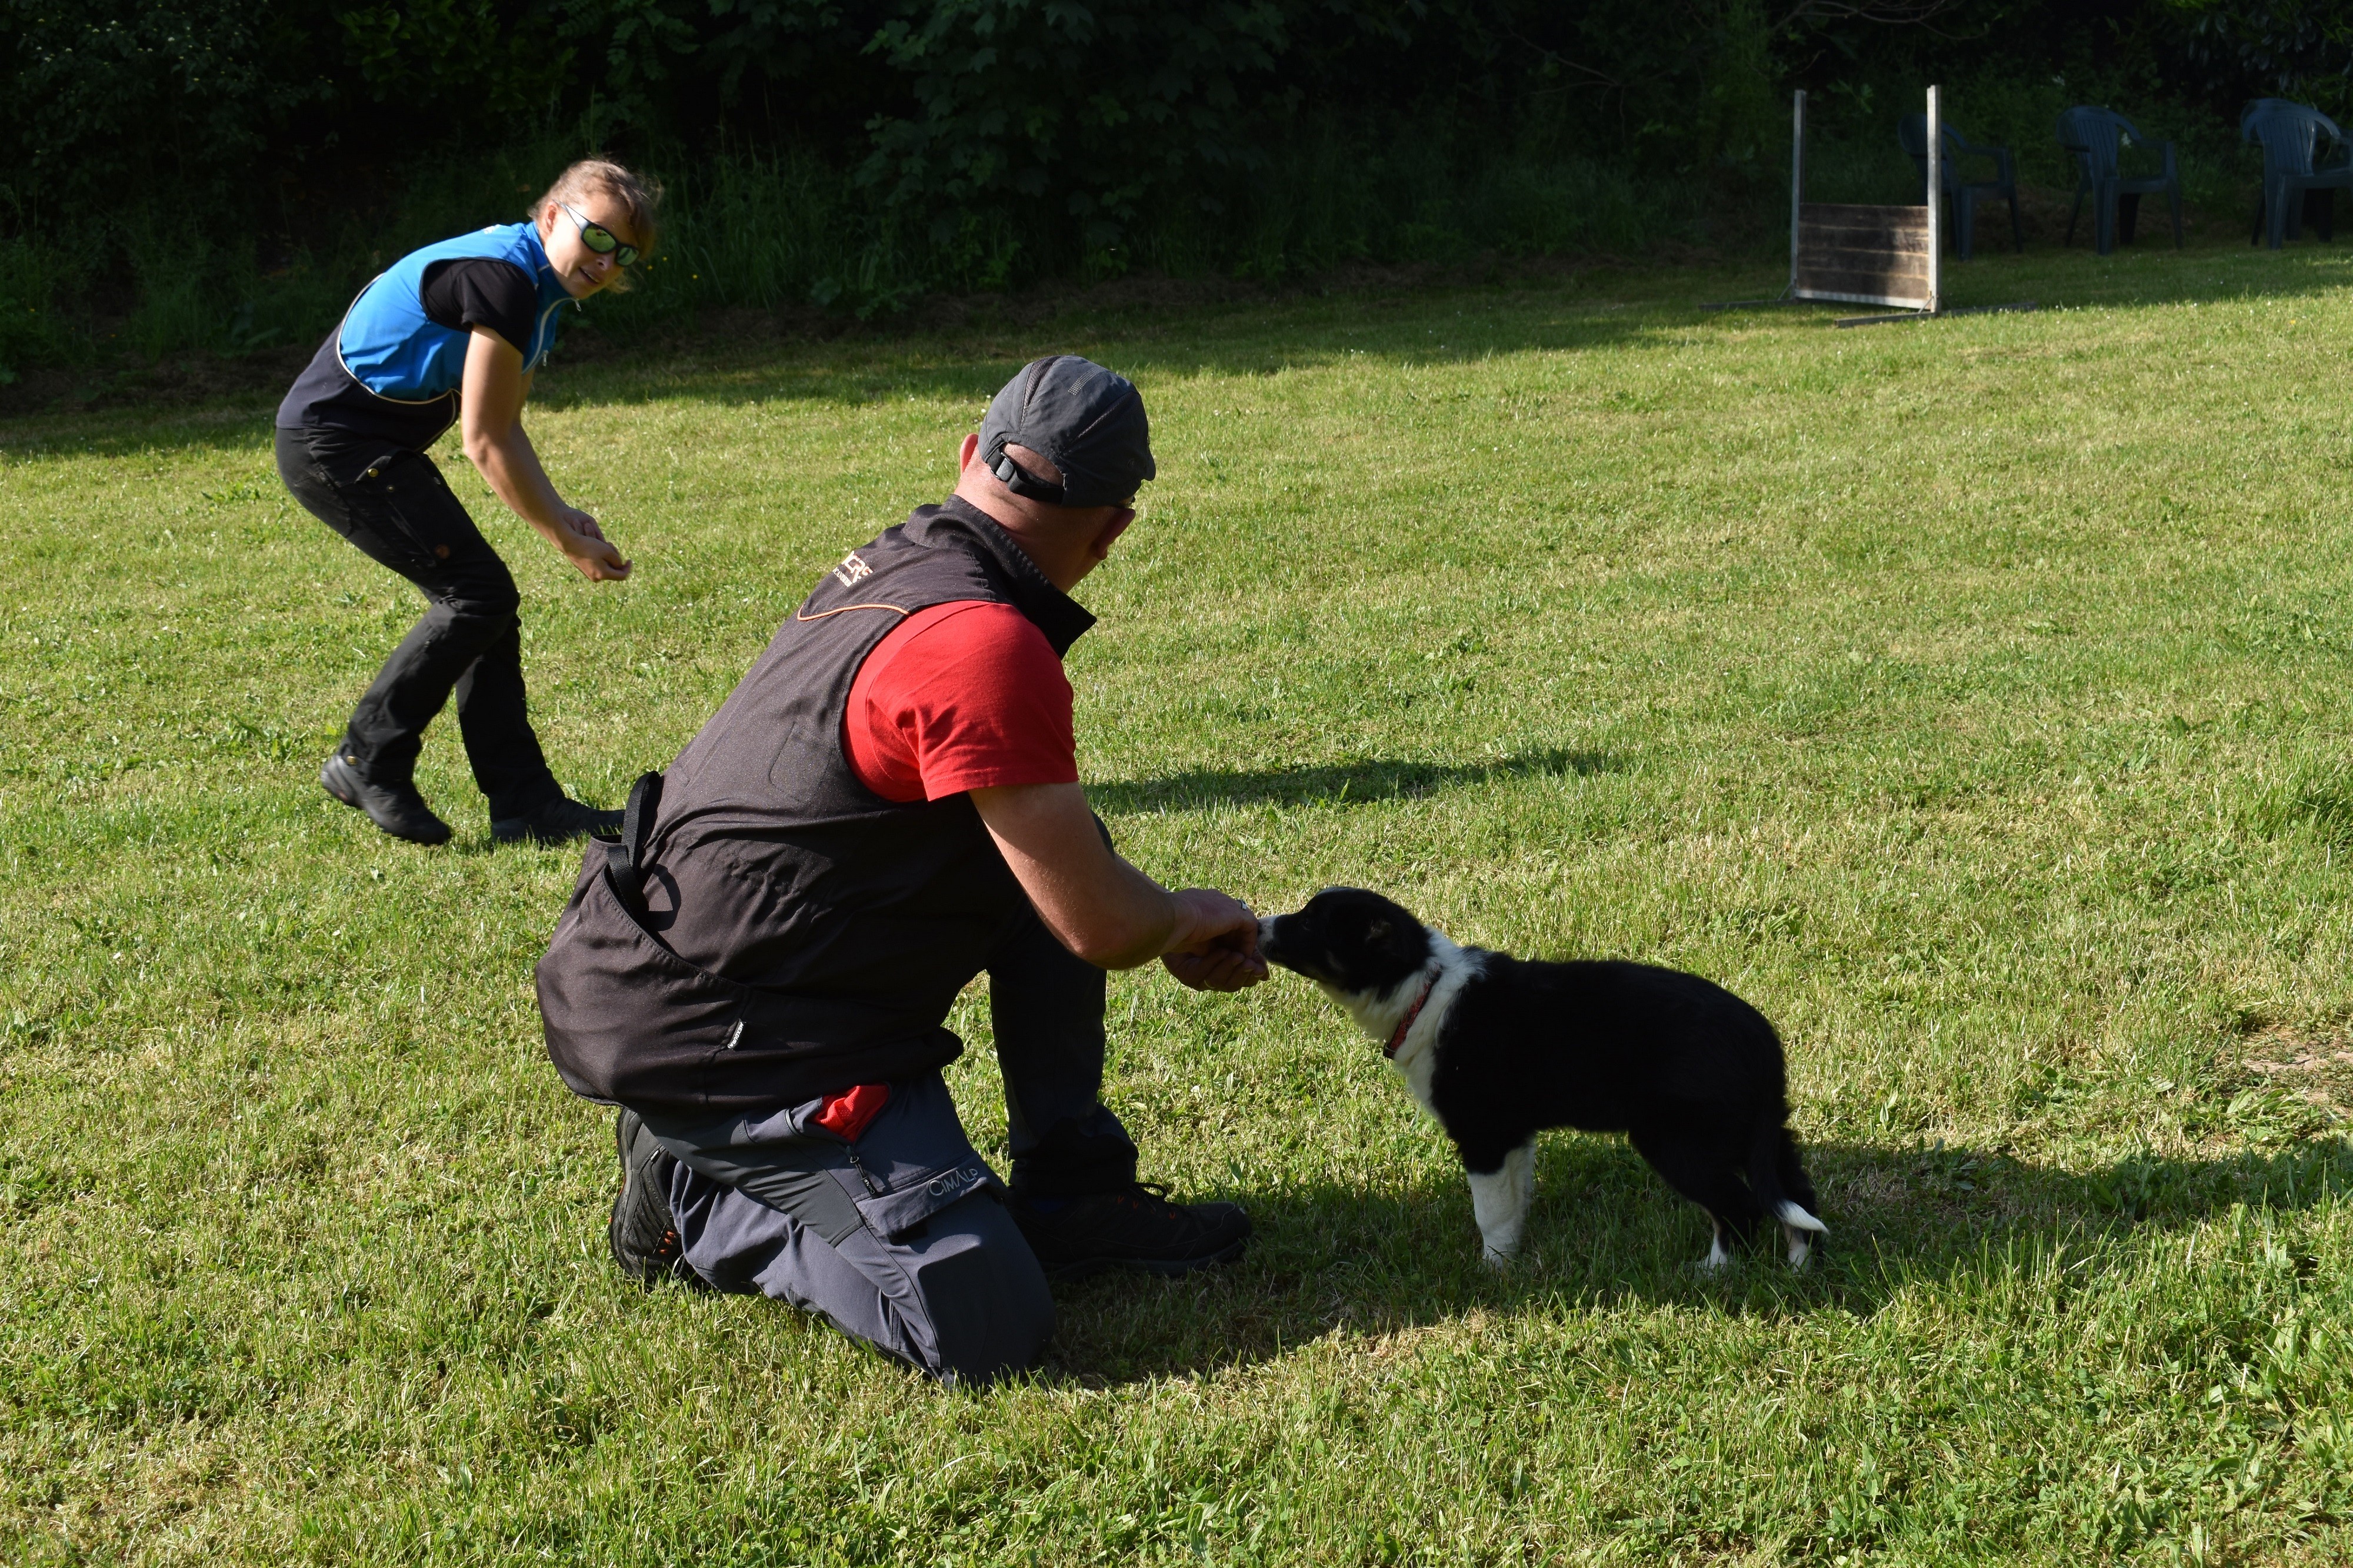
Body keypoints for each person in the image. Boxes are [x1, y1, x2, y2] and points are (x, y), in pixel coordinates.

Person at [535, 355, 1270, 1384]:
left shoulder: (900, 562)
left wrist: (1138, 907)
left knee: (1056, 851)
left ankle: (1070, 1194)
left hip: (702, 959)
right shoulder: (984, 643)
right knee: (985, 1322)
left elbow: (1066, 878)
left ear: (973, 455)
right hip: (733, 1033)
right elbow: (1103, 926)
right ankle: (702, 1200)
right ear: (1112, 531)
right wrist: (1185, 917)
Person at [274, 158, 656, 846]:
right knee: (476, 596)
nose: (606, 262)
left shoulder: (537, 292)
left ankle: (525, 806)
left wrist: (560, 511)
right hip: (333, 443)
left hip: (372, 446)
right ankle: (369, 758)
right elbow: (481, 440)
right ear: (550, 218)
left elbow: (505, 424)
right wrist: (564, 541)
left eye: (623, 253)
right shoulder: (506, 280)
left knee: (485, 603)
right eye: (597, 238)